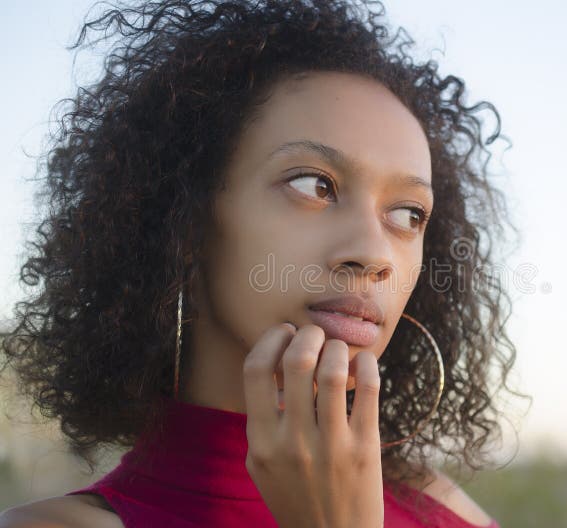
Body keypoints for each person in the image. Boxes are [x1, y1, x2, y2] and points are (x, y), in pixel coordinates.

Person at [0, 0, 524, 526]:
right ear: (185, 218)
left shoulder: (435, 500)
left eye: (408, 214)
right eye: (314, 185)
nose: (374, 253)